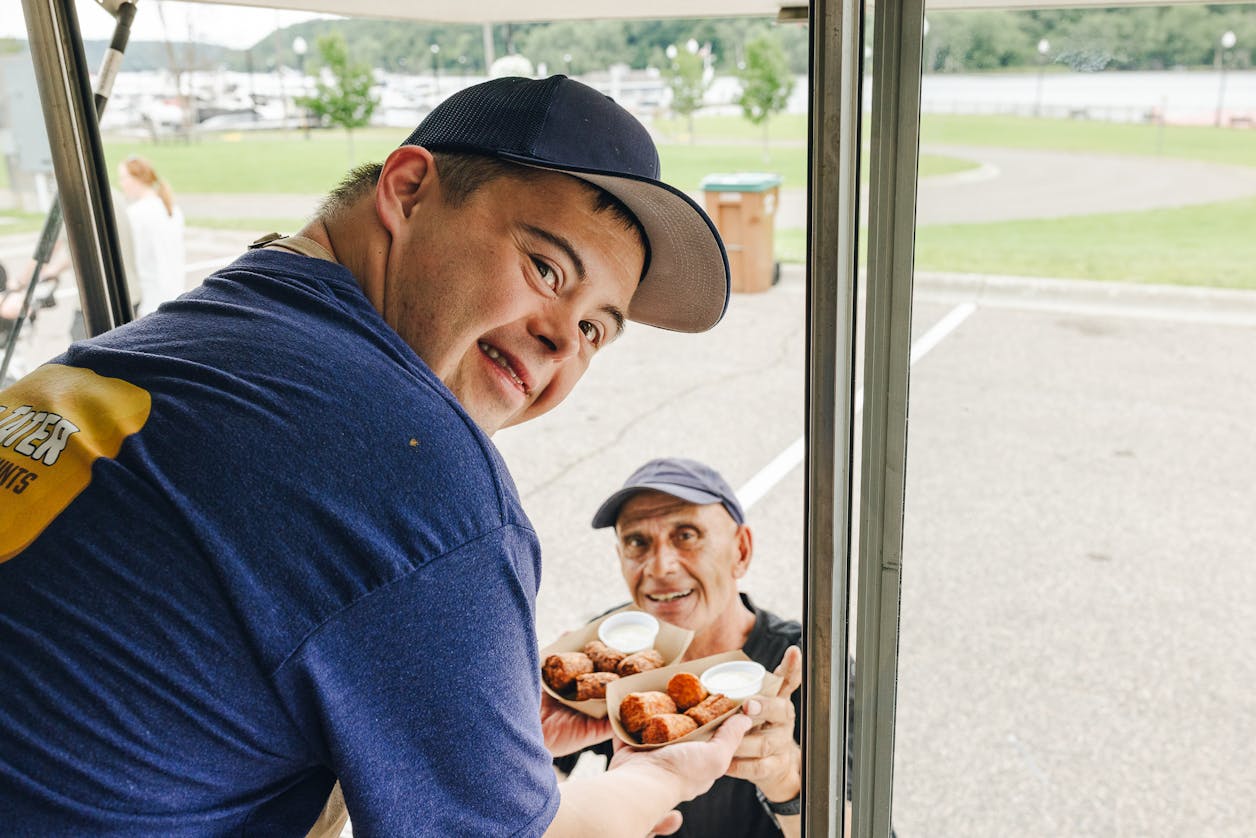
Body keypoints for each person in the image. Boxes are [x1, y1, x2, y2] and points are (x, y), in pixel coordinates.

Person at [0, 76, 743, 836]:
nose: (561, 339)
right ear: (409, 188)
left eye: (595, 329)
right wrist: (650, 777)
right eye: (546, 269)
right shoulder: (420, 480)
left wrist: (464, 740)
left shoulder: (189, 340)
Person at [556, 457, 804, 838]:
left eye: (686, 535)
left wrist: (787, 779)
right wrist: (527, 739)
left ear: (741, 551)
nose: (659, 567)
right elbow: (529, 797)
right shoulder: (607, 651)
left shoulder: (804, 662)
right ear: (620, 559)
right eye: (637, 542)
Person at [116, 154, 185, 316]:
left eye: (123, 178)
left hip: (151, 298)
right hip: (174, 290)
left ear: (137, 178)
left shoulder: (136, 214)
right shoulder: (172, 209)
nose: (121, 184)